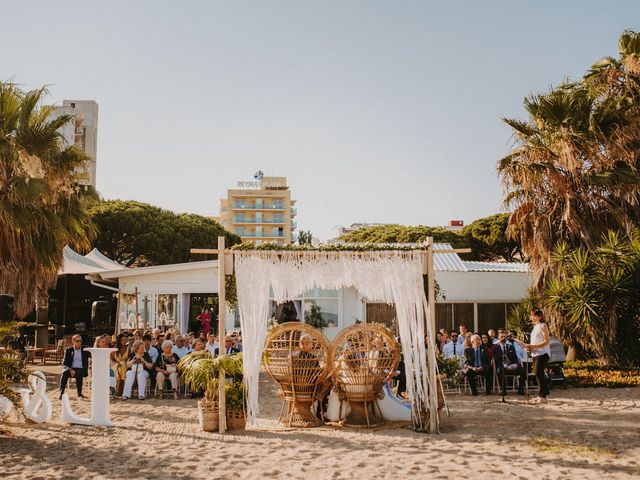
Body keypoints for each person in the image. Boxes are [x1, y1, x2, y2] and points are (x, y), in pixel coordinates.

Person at [522, 309, 551, 404]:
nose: (532, 317)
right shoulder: (535, 327)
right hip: (535, 353)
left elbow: (546, 341)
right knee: (537, 373)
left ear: (539, 316)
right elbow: (534, 342)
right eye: (532, 315)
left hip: (543, 353)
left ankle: (543, 396)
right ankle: (541, 395)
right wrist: (529, 347)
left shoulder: (543, 326)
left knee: (539, 373)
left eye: (535, 316)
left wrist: (533, 346)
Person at [493, 330, 525, 396]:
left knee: (522, 369)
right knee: (499, 369)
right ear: (498, 337)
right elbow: (497, 361)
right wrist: (505, 365)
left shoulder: (511, 347)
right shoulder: (495, 348)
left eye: (505, 336)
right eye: (501, 336)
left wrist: (515, 364)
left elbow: (515, 358)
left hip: (512, 367)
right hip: (503, 368)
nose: (503, 338)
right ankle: (503, 390)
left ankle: (521, 390)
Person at [59, 334, 91, 399]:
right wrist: (70, 369)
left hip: (81, 369)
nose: (79, 342)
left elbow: (93, 356)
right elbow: (64, 362)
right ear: (73, 341)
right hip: (71, 368)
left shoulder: (85, 350)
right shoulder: (68, 350)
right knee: (64, 373)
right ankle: (61, 393)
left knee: (79, 372)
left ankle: (79, 394)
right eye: (77, 341)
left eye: (80, 341)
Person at [113, 333, 130, 397]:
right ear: (119, 340)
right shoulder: (115, 348)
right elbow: (113, 358)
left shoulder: (128, 348)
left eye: (125, 340)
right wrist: (118, 363)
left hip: (125, 366)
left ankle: (120, 391)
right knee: (120, 367)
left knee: (123, 365)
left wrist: (123, 364)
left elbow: (128, 359)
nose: (124, 341)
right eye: (122, 340)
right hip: (116, 365)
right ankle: (120, 389)